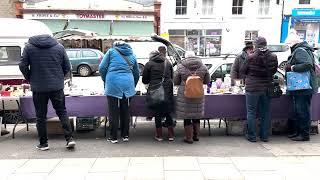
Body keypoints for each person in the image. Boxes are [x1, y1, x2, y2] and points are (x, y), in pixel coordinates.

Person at [19, 34, 75, 151]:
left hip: (38, 87)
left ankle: (43, 143)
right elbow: (66, 66)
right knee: (62, 112)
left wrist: (30, 78)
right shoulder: (59, 47)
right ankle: (69, 139)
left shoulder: (29, 47)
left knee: (40, 116)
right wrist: (60, 77)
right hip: (56, 87)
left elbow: (22, 65)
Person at [99, 41, 139, 144]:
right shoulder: (132, 55)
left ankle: (113, 137)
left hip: (113, 84)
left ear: (116, 45)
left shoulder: (111, 52)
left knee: (113, 112)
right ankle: (125, 135)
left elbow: (102, 68)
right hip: (128, 85)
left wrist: (106, 79)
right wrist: (132, 86)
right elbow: (136, 73)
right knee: (125, 111)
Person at [240, 36, 278, 142]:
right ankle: (264, 136)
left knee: (251, 112)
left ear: (256, 45)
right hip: (266, 87)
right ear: (266, 44)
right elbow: (273, 71)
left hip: (252, 88)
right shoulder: (273, 56)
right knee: (265, 113)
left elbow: (243, 70)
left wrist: (251, 76)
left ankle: (252, 136)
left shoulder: (250, 57)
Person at [285, 33, 318, 141]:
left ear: (292, 43)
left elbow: (307, 64)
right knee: (300, 110)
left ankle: (304, 134)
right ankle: (299, 132)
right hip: (302, 86)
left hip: (303, 87)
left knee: (302, 111)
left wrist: (292, 67)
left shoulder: (299, 50)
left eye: (288, 44)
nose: (288, 46)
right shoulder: (302, 49)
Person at [173, 51, 210, 144]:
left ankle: (189, 138)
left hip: (185, 95)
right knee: (196, 116)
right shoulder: (203, 66)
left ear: (185, 57)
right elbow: (207, 81)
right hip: (198, 93)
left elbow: (176, 81)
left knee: (187, 117)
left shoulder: (180, 66)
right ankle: (196, 136)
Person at [142, 47, 175, 141]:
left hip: (155, 89)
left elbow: (145, 80)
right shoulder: (167, 62)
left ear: (150, 57)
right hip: (168, 89)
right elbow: (172, 76)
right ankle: (171, 135)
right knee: (168, 111)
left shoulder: (149, 64)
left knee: (158, 112)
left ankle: (159, 136)